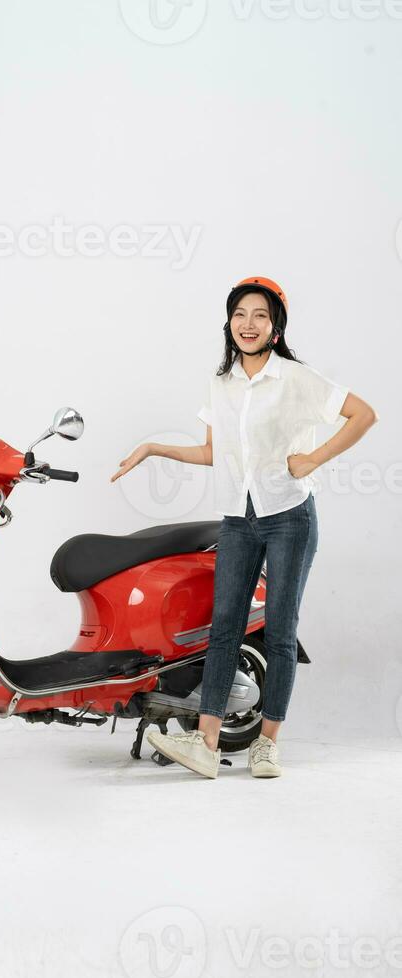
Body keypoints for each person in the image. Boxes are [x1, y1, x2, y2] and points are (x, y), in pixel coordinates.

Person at [110, 277, 378, 779]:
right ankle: (207, 743)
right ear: (229, 323)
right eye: (239, 315)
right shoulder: (222, 383)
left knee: (278, 630)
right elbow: (215, 453)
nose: (248, 324)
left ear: (275, 327)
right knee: (224, 628)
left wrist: (313, 459)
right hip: (238, 518)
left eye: (259, 315)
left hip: (289, 516)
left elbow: (363, 414)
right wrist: (154, 449)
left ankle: (267, 743)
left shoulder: (295, 378)